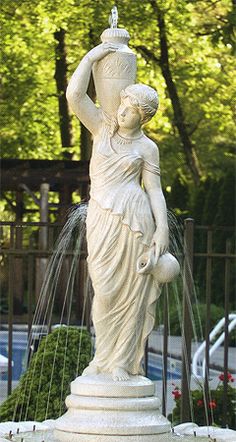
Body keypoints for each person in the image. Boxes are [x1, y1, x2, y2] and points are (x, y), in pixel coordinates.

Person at [66, 43, 169, 381]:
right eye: (122, 105)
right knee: (105, 289)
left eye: (131, 109)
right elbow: (75, 96)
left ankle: (123, 361)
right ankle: (102, 358)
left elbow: (153, 190)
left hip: (136, 221)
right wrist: (91, 57)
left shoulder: (147, 148)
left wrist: (162, 231)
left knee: (133, 294)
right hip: (102, 217)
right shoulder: (102, 129)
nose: (122, 111)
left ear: (144, 115)